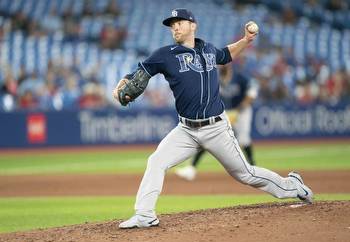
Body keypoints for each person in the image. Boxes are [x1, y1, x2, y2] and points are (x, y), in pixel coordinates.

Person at [113, 8, 313, 229]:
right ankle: (144, 215)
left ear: (193, 25)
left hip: (216, 128)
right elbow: (141, 72)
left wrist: (246, 40)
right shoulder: (165, 54)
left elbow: (226, 55)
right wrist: (123, 84)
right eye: (172, 25)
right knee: (156, 161)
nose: (175, 27)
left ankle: (293, 186)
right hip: (186, 130)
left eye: (179, 22)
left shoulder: (208, 49)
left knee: (245, 174)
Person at [175, 64, 258, 181]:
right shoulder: (215, 77)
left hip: (242, 111)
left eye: (224, 64)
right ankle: (191, 169)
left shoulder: (239, 77)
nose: (221, 66)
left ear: (229, 65)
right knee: (208, 136)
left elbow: (252, 92)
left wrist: (239, 109)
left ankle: (253, 168)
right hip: (225, 112)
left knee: (243, 140)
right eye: (220, 64)